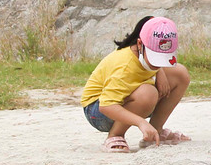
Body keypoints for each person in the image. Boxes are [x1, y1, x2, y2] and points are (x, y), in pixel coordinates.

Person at [81, 15, 192, 153]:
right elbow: (106, 105)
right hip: (97, 111)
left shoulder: (147, 57)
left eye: (163, 58)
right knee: (148, 93)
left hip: (122, 100)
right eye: (155, 58)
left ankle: (155, 131)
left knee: (180, 73)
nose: (158, 64)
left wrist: (159, 71)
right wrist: (141, 122)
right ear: (139, 44)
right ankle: (115, 135)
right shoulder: (125, 66)